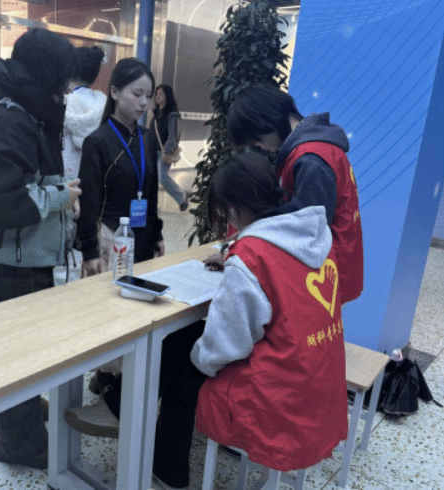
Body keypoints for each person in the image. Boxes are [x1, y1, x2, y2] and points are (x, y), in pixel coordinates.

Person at [151, 152, 348, 490]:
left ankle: (169, 474)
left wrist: (199, 359)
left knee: (185, 375)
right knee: (193, 343)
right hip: (320, 385)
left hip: (281, 397)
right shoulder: (314, 238)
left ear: (233, 209)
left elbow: (226, 345)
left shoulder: (253, 255)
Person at [0, 28, 80, 470]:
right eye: (63, 79)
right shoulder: (12, 120)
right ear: (48, 74)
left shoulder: (26, 113)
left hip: (19, 257)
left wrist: (59, 190)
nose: (66, 90)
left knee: (23, 352)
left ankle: (22, 411)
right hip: (3, 263)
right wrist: (60, 197)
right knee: (10, 358)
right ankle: (18, 446)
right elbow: (5, 204)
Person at [65, 57, 164, 431]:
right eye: (137, 94)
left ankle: (115, 381)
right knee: (106, 312)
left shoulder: (146, 138)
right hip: (109, 236)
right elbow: (89, 200)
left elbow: (150, 192)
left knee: (134, 309)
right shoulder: (99, 141)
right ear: (115, 92)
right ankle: (108, 384)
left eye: (148, 96)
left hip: (140, 235)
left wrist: (157, 233)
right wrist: (89, 250)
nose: (144, 102)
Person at [225, 83, 363, 305]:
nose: (259, 146)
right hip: (329, 265)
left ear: (267, 122)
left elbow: (305, 228)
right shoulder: (314, 148)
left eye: (256, 139)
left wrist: (249, 236)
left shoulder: (310, 158)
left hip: (321, 273)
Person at [53, 45, 107, 285]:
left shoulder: (62, 104)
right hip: (95, 186)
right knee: (91, 246)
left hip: (67, 184)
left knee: (65, 252)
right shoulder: (104, 106)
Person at [151, 84, 189, 211]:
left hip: (164, 152)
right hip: (153, 151)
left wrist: (167, 151)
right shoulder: (156, 114)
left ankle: (182, 197)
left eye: (161, 93)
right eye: (157, 94)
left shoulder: (172, 115)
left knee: (162, 178)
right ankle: (152, 205)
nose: (158, 96)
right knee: (151, 179)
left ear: (168, 95)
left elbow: (173, 136)